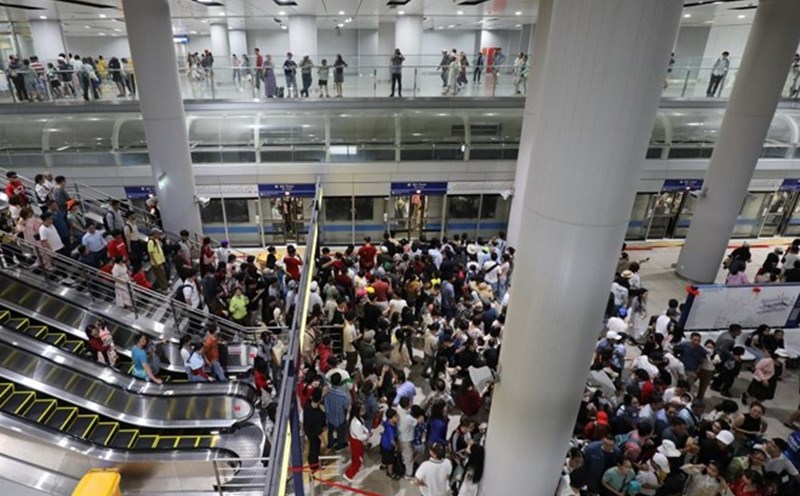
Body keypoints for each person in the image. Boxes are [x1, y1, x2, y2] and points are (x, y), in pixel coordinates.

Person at [343, 402, 370, 482]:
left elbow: (363, 427)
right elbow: (360, 437)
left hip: (356, 441)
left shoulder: (357, 419)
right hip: (356, 442)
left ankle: (357, 465)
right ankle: (348, 475)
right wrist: (367, 435)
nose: (364, 410)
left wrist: (366, 431)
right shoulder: (356, 423)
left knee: (356, 456)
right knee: (358, 459)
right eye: (361, 409)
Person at [324, 372, 351, 451]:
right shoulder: (343, 395)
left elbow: (326, 404)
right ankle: (340, 444)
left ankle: (330, 443)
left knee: (330, 431)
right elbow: (346, 406)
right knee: (341, 433)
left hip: (330, 416)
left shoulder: (327, 392)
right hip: (340, 417)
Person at [303, 388, 326, 472]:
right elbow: (319, 430)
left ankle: (312, 461)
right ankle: (314, 465)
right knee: (315, 447)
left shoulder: (307, 404)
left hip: (307, 429)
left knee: (312, 446)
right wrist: (324, 441)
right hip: (314, 433)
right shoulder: (318, 414)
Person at [381, 408, 401, 480]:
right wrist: (396, 446)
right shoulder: (390, 429)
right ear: (391, 418)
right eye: (396, 416)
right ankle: (390, 473)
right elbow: (392, 441)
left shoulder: (387, 421)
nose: (398, 417)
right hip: (388, 446)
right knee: (391, 461)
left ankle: (383, 465)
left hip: (383, 442)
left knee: (384, 456)